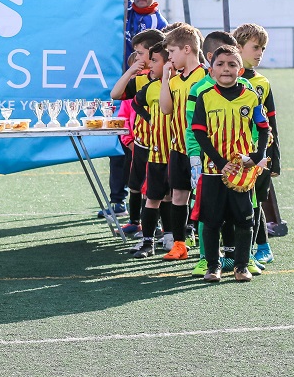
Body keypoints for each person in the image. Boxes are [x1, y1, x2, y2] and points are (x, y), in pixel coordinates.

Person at [183, 31, 262, 277]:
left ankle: (241, 265)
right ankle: (212, 266)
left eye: (231, 64)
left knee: (244, 218)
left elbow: (263, 127)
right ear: (211, 70)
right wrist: (217, 161)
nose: (226, 69)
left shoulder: (250, 96)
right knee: (211, 219)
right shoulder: (204, 96)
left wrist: (257, 156)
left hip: (241, 170)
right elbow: (198, 132)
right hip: (213, 170)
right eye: (220, 64)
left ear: (240, 70)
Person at [105, 0, 169, 219]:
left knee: (148, 147)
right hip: (125, 85)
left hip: (150, 88)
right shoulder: (123, 13)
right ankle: (117, 199)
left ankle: (152, 208)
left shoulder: (161, 23)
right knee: (120, 139)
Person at [109, 29, 166, 251]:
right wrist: (131, 70)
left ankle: (167, 232)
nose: (137, 57)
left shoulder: (170, 80)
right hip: (142, 143)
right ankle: (139, 225)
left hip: (163, 145)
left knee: (162, 192)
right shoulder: (140, 78)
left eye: (140, 53)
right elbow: (116, 94)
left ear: (153, 53)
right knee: (138, 185)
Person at [157, 22, 206, 261]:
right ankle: (179, 245)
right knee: (178, 196)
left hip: (202, 149)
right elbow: (166, 109)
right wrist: (166, 78)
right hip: (178, 148)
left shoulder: (206, 77)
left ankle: (209, 245)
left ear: (187, 49)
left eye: (172, 52)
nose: (170, 57)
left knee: (207, 197)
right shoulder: (175, 81)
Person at [233, 23, 280, 265]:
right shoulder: (224, 80)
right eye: (255, 47)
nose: (260, 53)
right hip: (233, 152)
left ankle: (261, 247)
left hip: (259, 153)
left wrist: (275, 159)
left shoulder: (262, 82)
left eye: (262, 48)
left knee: (254, 201)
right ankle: (239, 250)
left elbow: (271, 122)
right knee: (238, 202)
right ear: (238, 47)